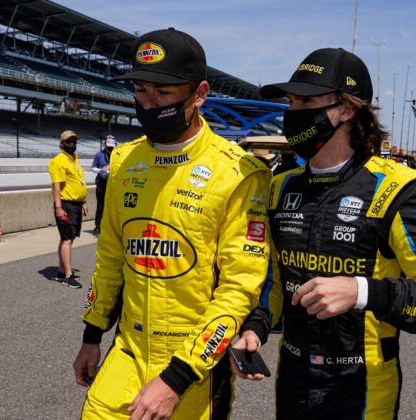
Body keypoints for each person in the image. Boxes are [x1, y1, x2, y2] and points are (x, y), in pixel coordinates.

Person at [232, 48, 416, 419]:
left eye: (306, 100)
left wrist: (361, 291)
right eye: (291, 101)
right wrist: (256, 326)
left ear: (347, 109)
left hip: (361, 387)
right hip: (292, 380)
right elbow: (275, 280)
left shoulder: (399, 189)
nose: (293, 112)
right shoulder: (278, 187)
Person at [72, 27, 272, 419]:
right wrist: (92, 336)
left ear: (199, 94)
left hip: (191, 370)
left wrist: (176, 378)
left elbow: (239, 289)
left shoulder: (238, 173)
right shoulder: (124, 161)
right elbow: (111, 258)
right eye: (140, 90)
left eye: (163, 93)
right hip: (126, 353)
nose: (148, 103)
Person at [48, 130, 88, 288]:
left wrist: (83, 201)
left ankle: (60, 271)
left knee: (67, 238)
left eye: (74, 141)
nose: (72, 144)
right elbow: (57, 187)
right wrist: (58, 207)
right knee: (67, 239)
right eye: (68, 141)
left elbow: (77, 181)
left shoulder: (74, 159)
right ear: (62, 143)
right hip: (66, 204)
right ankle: (68, 275)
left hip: (76, 204)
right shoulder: (58, 161)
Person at [91, 135, 116, 236]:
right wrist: (101, 170)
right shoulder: (99, 155)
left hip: (113, 184)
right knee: (100, 205)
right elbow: (93, 168)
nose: (110, 149)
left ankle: (110, 228)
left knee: (111, 207)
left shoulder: (117, 155)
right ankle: (98, 227)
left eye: (112, 147)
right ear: (105, 145)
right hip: (102, 183)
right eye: (109, 147)